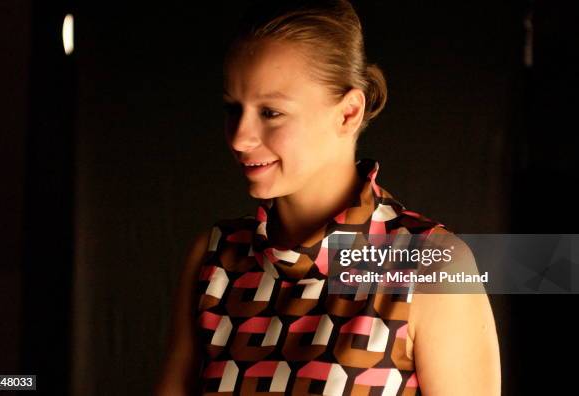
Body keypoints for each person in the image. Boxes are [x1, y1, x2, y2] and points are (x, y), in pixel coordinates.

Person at [155, 1, 500, 395]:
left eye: (270, 112)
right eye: (233, 108)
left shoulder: (431, 264)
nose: (239, 138)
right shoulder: (215, 259)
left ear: (348, 113)